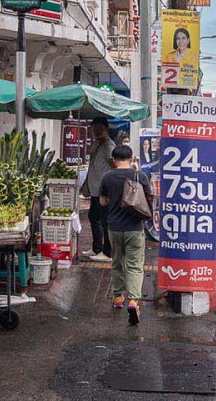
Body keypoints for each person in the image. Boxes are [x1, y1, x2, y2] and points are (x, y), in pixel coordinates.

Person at [98, 144, 154, 325]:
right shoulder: (140, 176)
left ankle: (117, 297)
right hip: (135, 228)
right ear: (131, 159)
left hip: (114, 227)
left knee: (117, 261)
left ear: (113, 160)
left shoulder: (107, 177)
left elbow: (103, 202)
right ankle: (133, 300)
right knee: (135, 264)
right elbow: (149, 198)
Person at [82, 119, 115, 261]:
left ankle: (108, 252)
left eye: (99, 128)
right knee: (93, 217)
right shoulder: (96, 143)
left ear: (106, 128)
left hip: (104, 190)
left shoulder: (109, 145)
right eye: (94, 128)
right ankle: (96, 248)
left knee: (105, 220)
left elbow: (114, 163)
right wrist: (86, 183)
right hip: (94, 189)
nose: (96, 131)